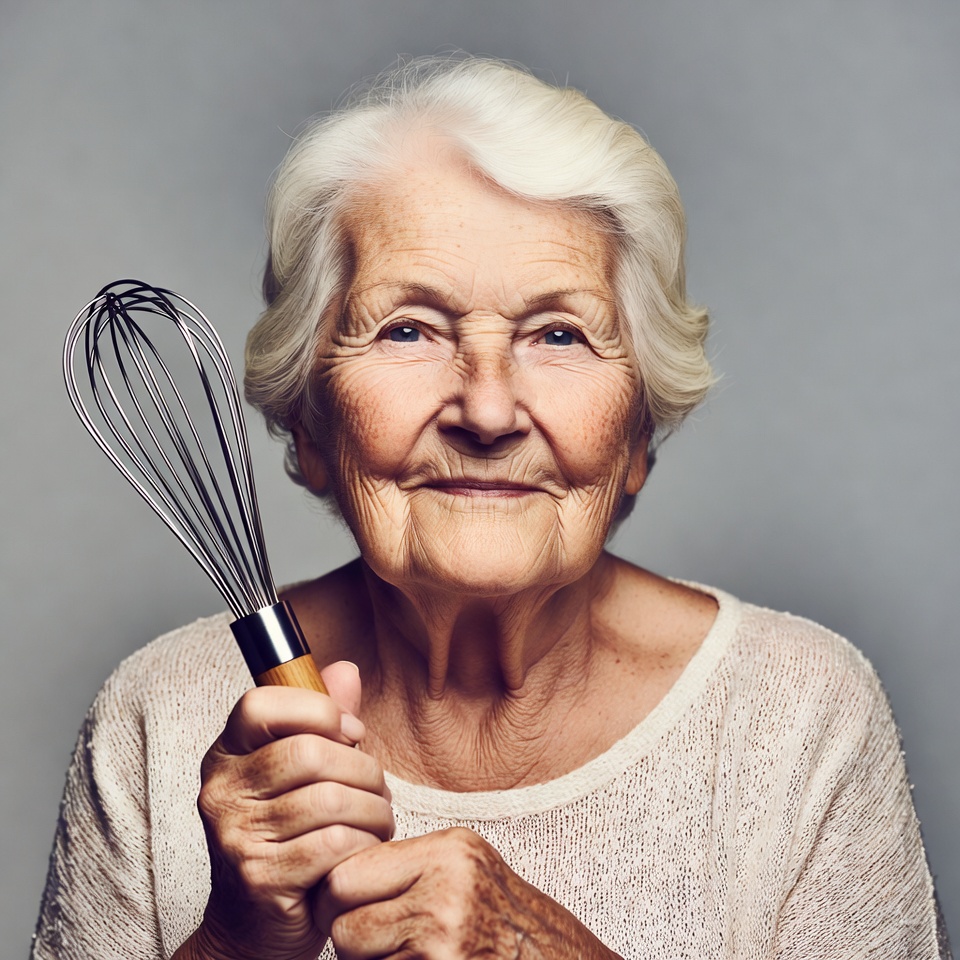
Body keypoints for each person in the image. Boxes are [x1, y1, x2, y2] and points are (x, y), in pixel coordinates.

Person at [33, 56, 949, 960]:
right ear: (311, 422)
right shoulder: (161, 717)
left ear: (637, 435)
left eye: (558, 334)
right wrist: (234, 944)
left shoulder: (800, 718)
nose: (487, 409)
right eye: (410, 330)